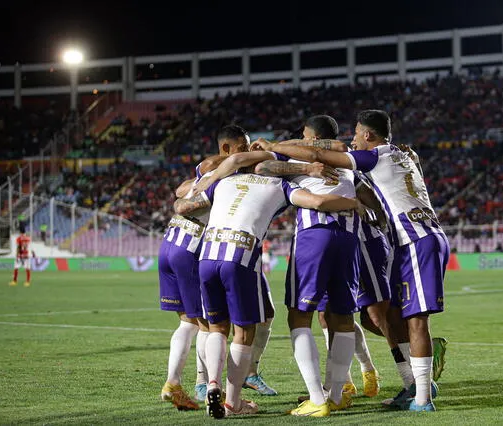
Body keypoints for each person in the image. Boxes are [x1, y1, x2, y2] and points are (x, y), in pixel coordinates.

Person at [253, 109, 449, 413]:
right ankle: (392, 381)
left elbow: (331, 157)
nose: (353, 138)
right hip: (374, 239)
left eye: (357, 133)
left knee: (376, 315)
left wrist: (277, 147)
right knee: (352, 316)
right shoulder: (386, 156)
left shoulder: (360, 157)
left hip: (368, 239)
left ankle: (415, 389)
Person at [174, 156, 361, 418]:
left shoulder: (223, 182)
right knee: (243, 333)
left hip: (207, 257)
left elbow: (183, 205)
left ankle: (213, 384)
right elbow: (317, 202)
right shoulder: (280, 186)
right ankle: (233, 403)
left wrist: (196, 187)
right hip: (240, 257)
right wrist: (352, 203)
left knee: (216, 328)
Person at [255, 115, 384, 399]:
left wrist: (302, 166)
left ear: (311, 139)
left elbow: (263, 165)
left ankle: (317, 398)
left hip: (315, 234)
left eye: (303, 135)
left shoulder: (300, 157)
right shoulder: (346, 159)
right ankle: (337, 395)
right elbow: (365, 188)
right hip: (348, 237)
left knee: (299, 316)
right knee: (341, 317)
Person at [159, 125, 252, 411]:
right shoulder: (224, 174)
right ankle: (204, 385)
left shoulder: (207, 165)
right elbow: (183, 204)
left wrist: (184, 195)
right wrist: (185, 202)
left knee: (187, 321)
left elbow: (180, 190)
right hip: (190, 247)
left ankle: (173, 383)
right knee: (208, 325)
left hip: (170, 241)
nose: (246, 154)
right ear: (227, 149)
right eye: (242, 148)